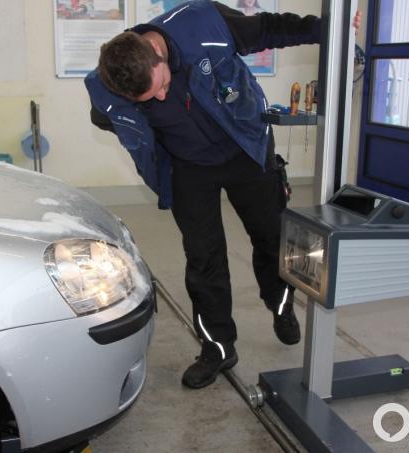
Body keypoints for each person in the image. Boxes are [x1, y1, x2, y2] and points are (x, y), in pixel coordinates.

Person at [85, 0, 360, 389]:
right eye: (150, 99)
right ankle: (217, 346)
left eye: (162, 85)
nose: (161, 97)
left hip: (245, 149)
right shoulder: (110, 85)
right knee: (203, 257)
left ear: (158, 53)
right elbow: (105, 116)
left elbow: (270, 28)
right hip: (188, 169)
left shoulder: (203, 23)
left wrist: (329, 30)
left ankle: (281, 306)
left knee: (271, 236)